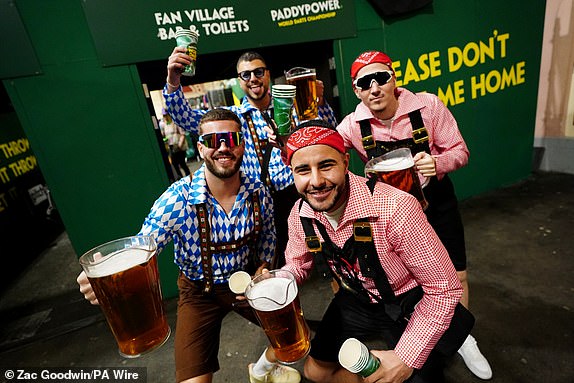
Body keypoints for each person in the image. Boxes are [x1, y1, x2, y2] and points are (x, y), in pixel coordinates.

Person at [77, 109, 301, 383]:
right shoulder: (177, 199)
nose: (222, 147)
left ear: (242, 144)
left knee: (299, 341)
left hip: (246, 286)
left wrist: (263, 269)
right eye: (212, 140)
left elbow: (268, 238)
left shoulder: (259, 192)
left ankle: (261, 370)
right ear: (200, 147)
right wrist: (110, 273)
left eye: (230, 138)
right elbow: (144, 246)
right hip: (199, 293)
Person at [336, 50, 492, 380]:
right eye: (366, 82)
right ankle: (425, 337)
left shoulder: (428, 106)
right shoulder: (353, 124)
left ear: (395, 79)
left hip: (435, 202)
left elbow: (460, 150)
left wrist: (438, 164)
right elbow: (324, 149)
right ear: (357, 90)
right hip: (394, 215)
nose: (375, 87)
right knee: (415, 281)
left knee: (457, 275)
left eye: (381, 78)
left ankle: (462, 339)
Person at [279, 121, 464, 383]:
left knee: (411, 374)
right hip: (355, 299)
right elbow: (298, 265)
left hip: (407, 303)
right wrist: (276, 283)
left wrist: (405, 358)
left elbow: (444, 289)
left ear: (345, 162)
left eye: (326, 165)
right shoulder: (300, 215)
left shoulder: (396, 207)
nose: (316, 181)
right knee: (313, 372)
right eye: (303, 170)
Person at [164, 48, 338, 268]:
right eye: (246, 75)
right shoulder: (231, 119)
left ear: (268, 74)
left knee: (320, 259)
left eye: (258, 72)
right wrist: (173, 79)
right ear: (239, 81)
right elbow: (185, 117)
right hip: (257, 202)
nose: (253, 78)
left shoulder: (293, 106)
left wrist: (320, 103)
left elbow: (328, 131)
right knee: (273, 267)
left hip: (295, 196)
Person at [159, 110, 191, 179]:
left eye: (166, 115)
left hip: (179, 147)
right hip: (171, 147)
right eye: (164, 116)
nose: (165, 117)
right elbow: (164, 135)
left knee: (182, 164)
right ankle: (180, 178)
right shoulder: (164, 125)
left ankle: (189, 177)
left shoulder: (176, 123)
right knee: (174, 164)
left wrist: (180, 145)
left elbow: (183, 134)